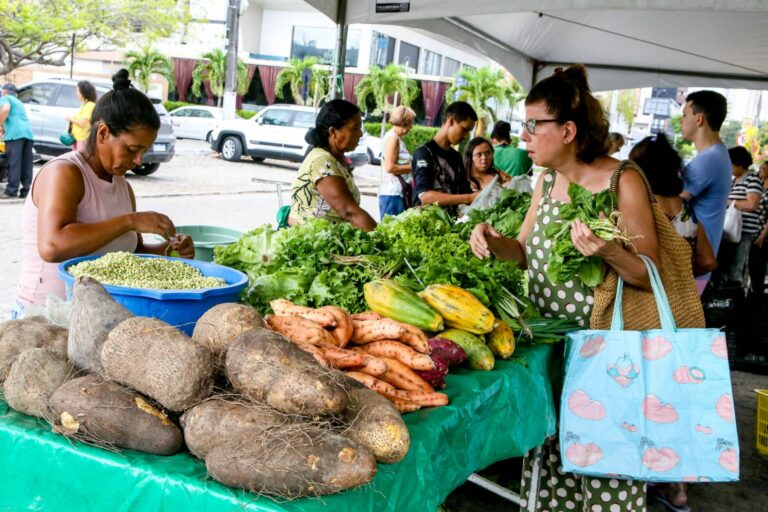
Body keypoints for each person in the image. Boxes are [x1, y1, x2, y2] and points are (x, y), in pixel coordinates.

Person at [470, 64, 658, 511]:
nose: (525, 137)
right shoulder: (547, 180)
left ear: (569, 130)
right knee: (552, 467)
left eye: (535, 126)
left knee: (605, 471)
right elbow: (522, 250)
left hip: (603, 359)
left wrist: (608, 251)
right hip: (546, 351)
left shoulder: (622, 180)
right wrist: (494, 243)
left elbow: (649, 274)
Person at [11, 69, 194, 317]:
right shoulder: (65, 172)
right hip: (45, 316)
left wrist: (169, 250)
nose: (139, 160)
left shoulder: (122, 186)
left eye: (144, 151)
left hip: (96, 318)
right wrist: (132, 220)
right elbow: (52, 246)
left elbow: (130, 253)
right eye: (132, 149)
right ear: (103, 133)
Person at [630, 133, 716, 278]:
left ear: (641, 170)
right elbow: (708, 261)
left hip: (646, 295)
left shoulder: (643, 204)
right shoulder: (686, 210)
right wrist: (680, 275)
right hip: (678, 298)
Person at [289, 99, 376, 231]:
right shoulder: (322, 161)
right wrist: (383, 238)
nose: (360, 134)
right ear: (333, 132)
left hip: (328, 238)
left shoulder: (338, 158)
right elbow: (349, 212)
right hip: (309, 240)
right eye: (355, 128)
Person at [680, 90, 732, 294]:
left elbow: (669, 203)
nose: (682, 120)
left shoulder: (708, 160)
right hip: (698, 263)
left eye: (685, 115)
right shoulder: (718, 155)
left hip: (694, 263)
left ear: (699, 119)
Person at [411, 101, 478, 216]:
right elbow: (425, 197)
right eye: (464, 129)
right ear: (451, 121)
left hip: (451, 225)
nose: (466, 136)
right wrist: (468, 198)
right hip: (426, 224)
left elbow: (465, 192)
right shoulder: (424, 153)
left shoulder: (456, 157)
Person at [716, 146, 762, 287]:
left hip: (743, 231)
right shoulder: (733, 181)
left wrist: (729, 202)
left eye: (730, 164)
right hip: (730, 230)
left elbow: (752, 204)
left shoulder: (752, 179)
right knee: (725, 265)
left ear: (739, 163)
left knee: (736, 266)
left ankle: (734, 298)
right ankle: (724, 297)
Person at [378, 105, 415, 217]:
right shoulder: (393, 138)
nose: (411, 127)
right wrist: (415, 166)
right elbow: (390, 167)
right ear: (404, 122)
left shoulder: (396, 138)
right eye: (410, 123)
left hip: (396, 194)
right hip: (392, 194)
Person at [0, 83, 34, 199]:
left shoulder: (5, 98)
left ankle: (11, 191)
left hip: (15, 135)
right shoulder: (18, 102)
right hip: (28, 134)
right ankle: (26, 191)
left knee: (14, 162)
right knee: (26, 163)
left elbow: (5, 109)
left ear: (4, 92)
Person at [749, 159, 768, 295]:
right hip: (751, 229)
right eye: (760, 168)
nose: (760, 170)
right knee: (750, 263)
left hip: (763, 232)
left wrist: (763, 236)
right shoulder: (758, 185)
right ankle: (751, 292)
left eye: (763, 168)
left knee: (758, 265)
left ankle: (758, 295)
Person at [65, 80, 98, 151]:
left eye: (78, 91)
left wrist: (70, 118)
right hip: (77, 139)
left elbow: (82, 124)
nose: (76, 93)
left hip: (83, 140)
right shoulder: (84, 104)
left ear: (83, 93)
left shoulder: (89, 105)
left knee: (80, 161)